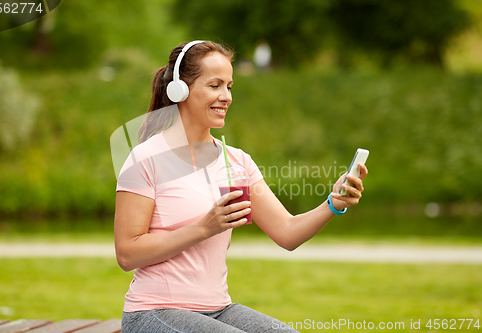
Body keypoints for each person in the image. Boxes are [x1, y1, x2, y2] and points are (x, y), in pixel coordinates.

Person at [115, 40, 368, 333]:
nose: (226, 97)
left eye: (229, 86)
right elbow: (127, 253)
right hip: (153, 311)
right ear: (180, 90)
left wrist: (333, 203)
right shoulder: (146, 158)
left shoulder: (236, 161)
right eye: (215, 85)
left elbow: (287, 232)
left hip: (218, 310)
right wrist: (204, 227)